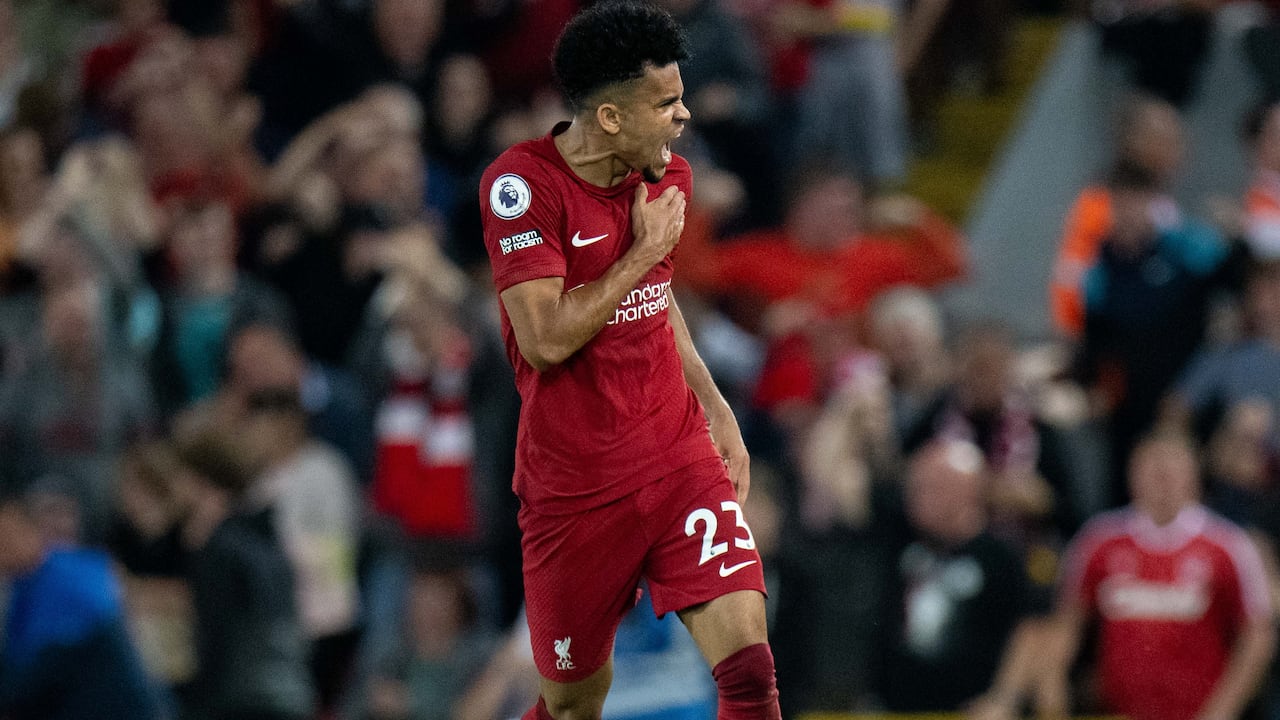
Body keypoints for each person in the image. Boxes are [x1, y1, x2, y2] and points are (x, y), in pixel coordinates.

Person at [478, 2, 780, 719]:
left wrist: (715, 408)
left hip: (677, 461)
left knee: (748, 673)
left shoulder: (668, 177)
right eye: (666, 102)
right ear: (610, 118)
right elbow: (545, 338)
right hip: (575, 492)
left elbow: (657, 301)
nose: (683, 118)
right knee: (574, 703)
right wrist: (640, 250)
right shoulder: (521, 186)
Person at [1010, 433, 1275, 720]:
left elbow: (1257, 636)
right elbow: (1066, 623)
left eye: (1172, 468)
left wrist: (1221, 712)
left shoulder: (1228, 545)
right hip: (1118, 712)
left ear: (1193, 475)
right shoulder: (1099, 540)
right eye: (1152, 467)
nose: (1162, 477)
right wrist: (1052, 683)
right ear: (1132, 473)